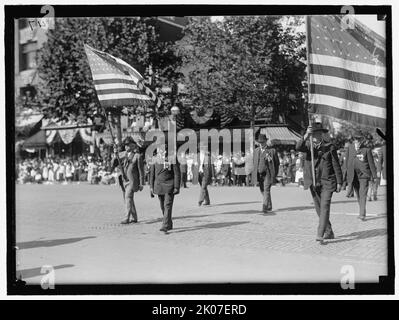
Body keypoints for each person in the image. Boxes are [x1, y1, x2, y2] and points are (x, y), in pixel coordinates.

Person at [296, 122, 342, 244]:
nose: (316, 136)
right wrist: (306, 134)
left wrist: (339, 181)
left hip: (327, 181)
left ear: (322, 134)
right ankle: (329, 231)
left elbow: (336, 165)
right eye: (314, 133)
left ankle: (320, 233)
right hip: (313, 182)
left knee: (325, 206)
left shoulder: (330, 147)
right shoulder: (307, 146)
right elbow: (298, 147)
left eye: (318, 133)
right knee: (319, 209)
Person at [345, 134, 376, 221]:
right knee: (358, 195)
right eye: (356, 140)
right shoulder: (350, 148)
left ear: (362, 141)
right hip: (353, 175)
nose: (357, 142)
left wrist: (374, 176)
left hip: (364, 175)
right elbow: (346, 162)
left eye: (359, 140)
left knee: (363, 194)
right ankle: (362, 211)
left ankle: (362, 214)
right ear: (354, 140)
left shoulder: (366, 149)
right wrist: (344, 175)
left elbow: (371, 163)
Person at [150, 148, 181, 232]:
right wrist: (151, 187)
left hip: (169, 185)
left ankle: (165, 225)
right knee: (162, 206)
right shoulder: (154, 159)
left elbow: (177, 173)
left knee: (167, 205)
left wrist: (176, 187)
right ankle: (168, 222)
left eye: (164, 149)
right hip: (159, 186)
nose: (162, 151)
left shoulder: (172, 158)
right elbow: (152, 174)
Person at [119, 137, 145, 224]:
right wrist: (114, 150)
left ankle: (126, 217)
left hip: (132, 181)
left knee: (128, 197)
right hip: (124, 180)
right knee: (129, 199)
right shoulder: (123, 154)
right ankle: (134, 217)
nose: (126, 147)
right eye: (125, 145)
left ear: (132, 145)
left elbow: (141, 171)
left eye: (128, 145)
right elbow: (116, 158)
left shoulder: (137, 156)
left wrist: (142, 183)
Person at [252, 134, 279, 213]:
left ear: (266, 141)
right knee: (262, 190)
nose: (261, 144)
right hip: (259, 173)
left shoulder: (272, 151)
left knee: (266, 189)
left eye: (263, 142)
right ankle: (269, 205)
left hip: (268, 173)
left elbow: (277, 163)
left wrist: (274, 173)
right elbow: (253, 163)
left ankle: (264, 207)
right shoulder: (256, 151)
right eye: (260, 142)